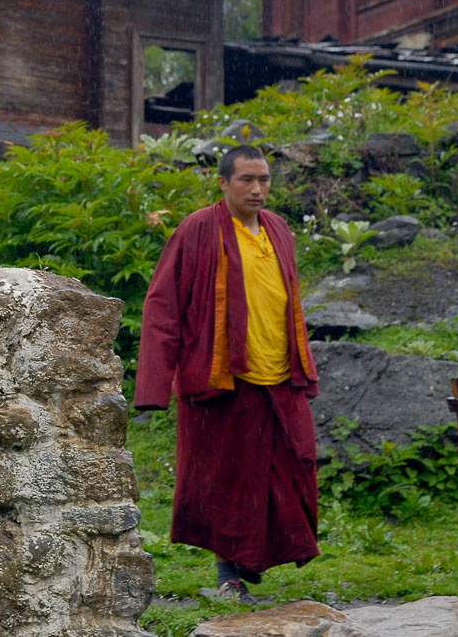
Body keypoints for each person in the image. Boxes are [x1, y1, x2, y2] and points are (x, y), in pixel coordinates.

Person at [134, 144, 319, 603]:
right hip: (221, 380)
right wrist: (153, 387)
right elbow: (162, 305)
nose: (257, 190)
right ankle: (228, 575)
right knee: (226, 480)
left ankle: (251, 559)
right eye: (246, 180)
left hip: (278, 377)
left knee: (287, 470)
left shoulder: (278, 230)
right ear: (223, 182)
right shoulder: (198, 230)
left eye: (264, 180)